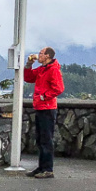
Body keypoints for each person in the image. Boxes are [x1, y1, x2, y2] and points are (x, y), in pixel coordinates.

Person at [23, 47, 64, 178]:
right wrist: (29, 64)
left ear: (47, 56)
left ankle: (48, 169)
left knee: (46, 139)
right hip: (40, 107)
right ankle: (41, 167)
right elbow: (28, 77)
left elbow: (59, 88)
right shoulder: (42, 69)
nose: (38, 55)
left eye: (41, 53)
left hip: (47, 108)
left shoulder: (53, 70)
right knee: (40, 139)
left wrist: (44, 96)